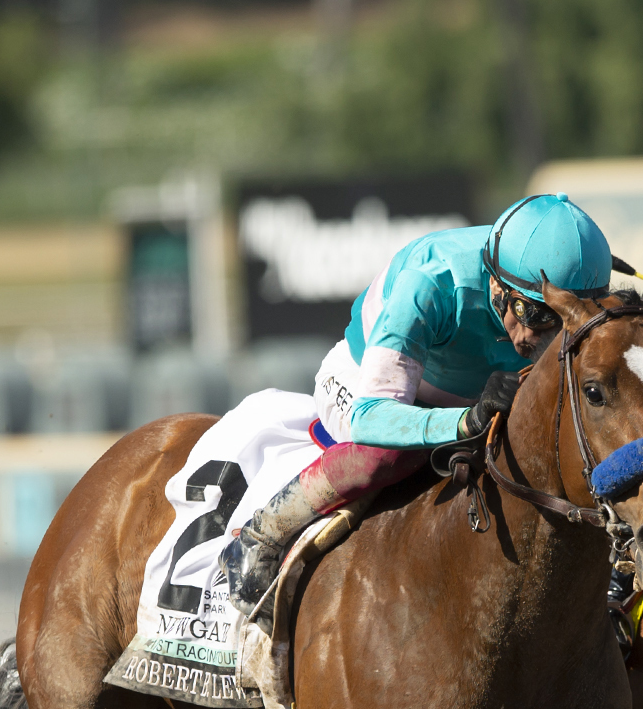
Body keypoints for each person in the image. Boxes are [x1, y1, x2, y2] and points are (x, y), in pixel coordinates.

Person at [220, 192, 616, 623]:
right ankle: (261, 538)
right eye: (530, 313)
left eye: (560, 322)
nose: (540, 339)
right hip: (364, 386)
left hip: (473, 394)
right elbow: (372, 417)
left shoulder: (546, 286)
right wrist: (469, 420)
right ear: (498, 286)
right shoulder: (433, 279)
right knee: (390, 455)